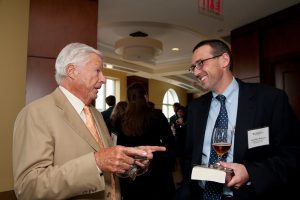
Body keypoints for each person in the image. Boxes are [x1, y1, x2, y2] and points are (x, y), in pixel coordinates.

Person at [12, 43, 166, 200]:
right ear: (72, 71)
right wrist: (96, 162)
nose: (103, 79)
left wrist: (130, 162)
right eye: (97, 71)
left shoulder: (96, 114)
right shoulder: (36, 113)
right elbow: (28, 188)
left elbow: (108, 167)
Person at [184, 39, 300, 199]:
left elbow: (292, 154)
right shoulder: (195, 108)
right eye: (193, 67)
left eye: (200, 63)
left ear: (224, 60)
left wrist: (250, 172)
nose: (196, 72)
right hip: (202, 194)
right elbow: (189, 156)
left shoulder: (270, 99)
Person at [112, 83, 176, 200]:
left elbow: (116, 147)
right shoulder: (157, 115)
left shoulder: (120, 120)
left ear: (128, 99)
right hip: (156, 170)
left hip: (131, 172)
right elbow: (170, 143)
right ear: (145, 96)